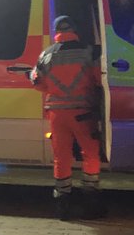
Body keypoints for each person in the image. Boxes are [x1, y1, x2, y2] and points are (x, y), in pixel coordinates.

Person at [29, 15, 104, 219]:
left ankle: (63, 203)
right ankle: (91, 200)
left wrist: (53, 90)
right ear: (75, 29)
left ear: (56, 31)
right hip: (83, 112)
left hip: (57, 112)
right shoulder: (89, 52)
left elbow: (36, 82)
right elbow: (99, 79)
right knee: (90, 154)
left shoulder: (46, 54)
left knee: (61, 157)